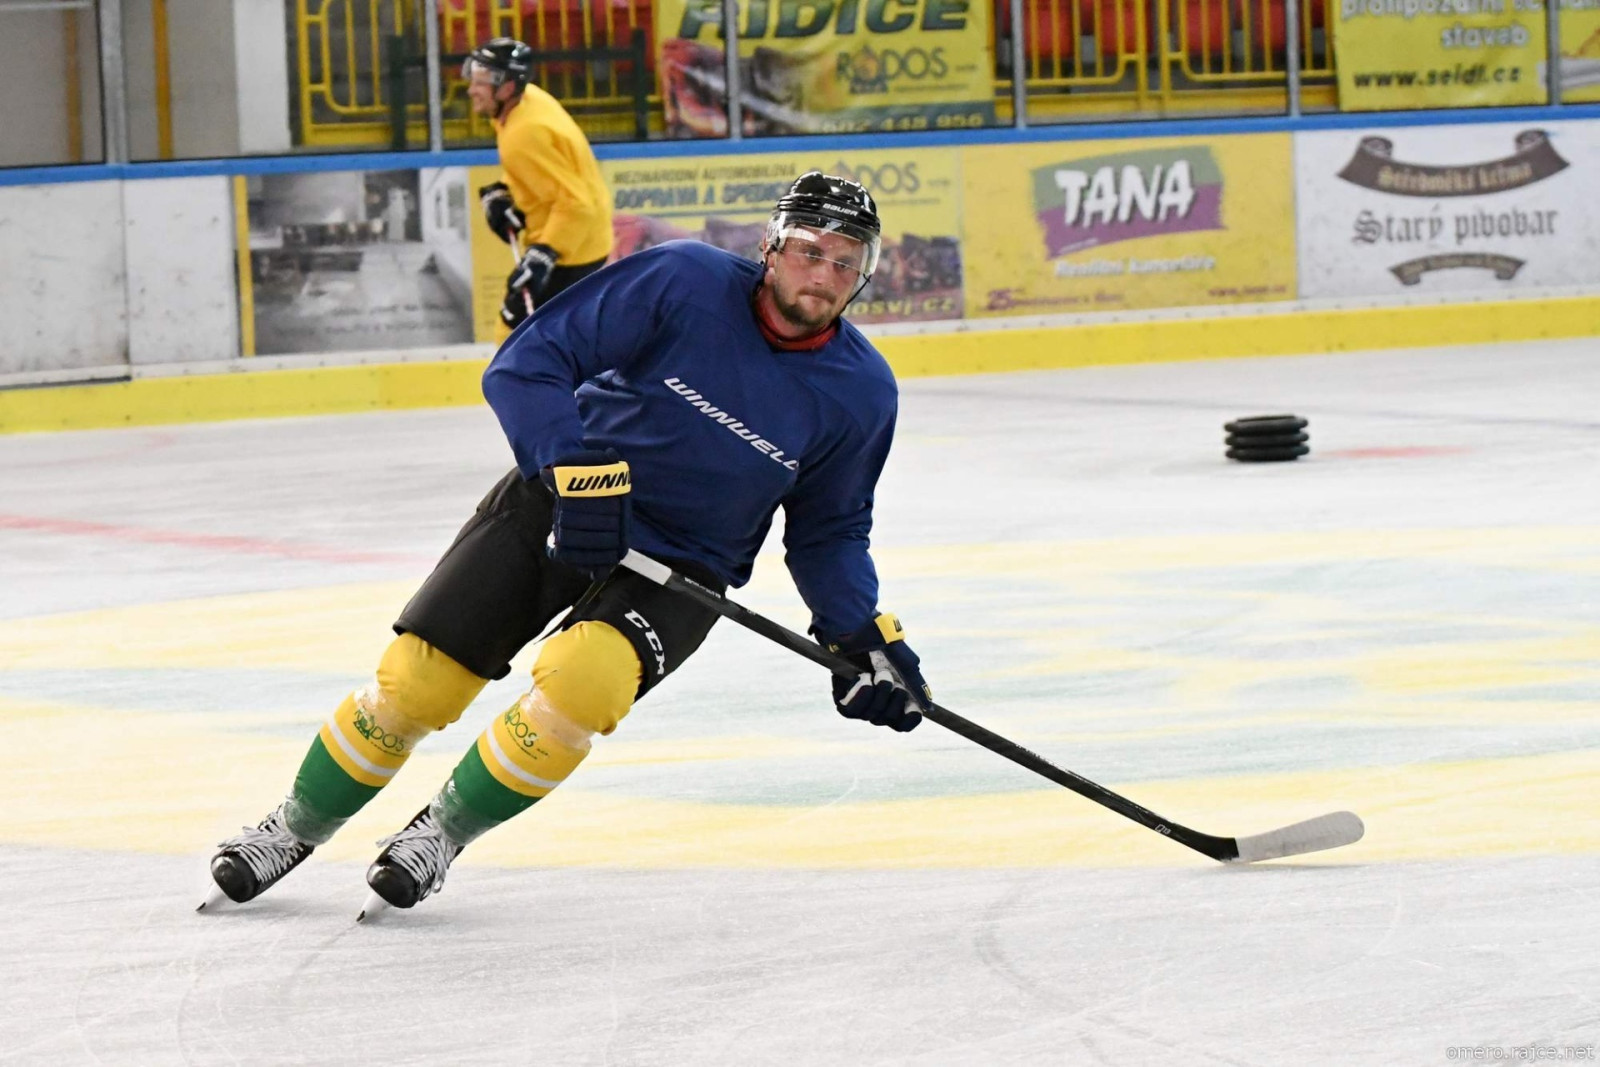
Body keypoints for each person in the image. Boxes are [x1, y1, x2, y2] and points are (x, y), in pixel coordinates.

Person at [200, 172, 935, 915]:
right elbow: (529, 361)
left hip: (686, 564)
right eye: (810, 250)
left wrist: (858, 632)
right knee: (419, 682)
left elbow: (829, 531)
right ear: (771, 248)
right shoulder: (682, 281)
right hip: (563, 497)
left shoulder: (862, 393)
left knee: (586, 685)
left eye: (847, 261)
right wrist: (573, 468)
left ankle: (442, 832)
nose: (824, 276)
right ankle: (293, 827)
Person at [467, 37, 614, 333]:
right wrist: (507, 190)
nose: (471, 89)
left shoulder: (524, 133)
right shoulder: (526, 101)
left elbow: (577, 205)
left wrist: (545, 253)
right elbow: (548, 174)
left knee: (514, 334)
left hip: (573, 250)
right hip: (584, 239)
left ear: (507, 87)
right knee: (538, 336)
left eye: (481, 83)